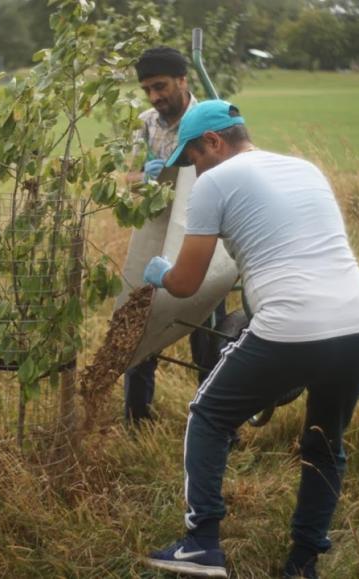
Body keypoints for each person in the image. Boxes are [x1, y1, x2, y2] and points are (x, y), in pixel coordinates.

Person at [141, 100, 359, 578]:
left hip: (291, 326)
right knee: (322, 442)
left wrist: (162, 274)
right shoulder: (305, 168)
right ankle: (303, 562)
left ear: (213, 142)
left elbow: (188, 283)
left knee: (208, 415)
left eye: (190, 158)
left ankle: (201, 543)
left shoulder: (214, 181)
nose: (192, 170)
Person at [124, 46, 226, 424]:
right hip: (156, 234)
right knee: (139, 327)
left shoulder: (209, 117)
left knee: (207, 333)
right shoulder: (145, 122)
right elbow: (128, 177)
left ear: (183, 80)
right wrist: (144, 177)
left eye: (161, 86)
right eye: (147, 89)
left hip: (202, 236)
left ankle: (215, 421)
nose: (155, 96)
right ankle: (137, 421)